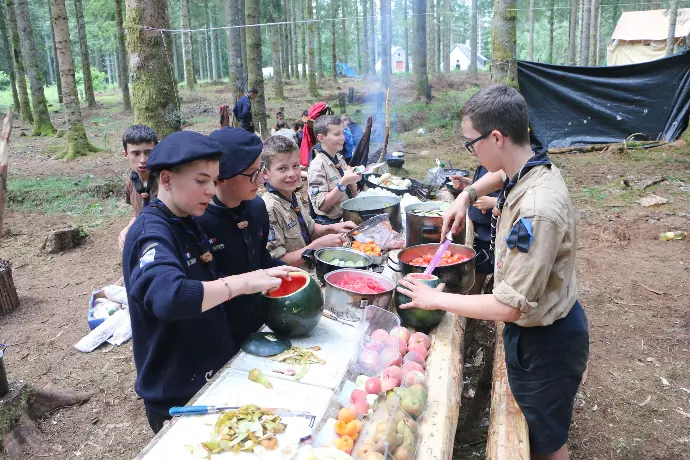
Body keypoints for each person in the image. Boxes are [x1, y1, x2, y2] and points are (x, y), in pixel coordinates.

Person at [398, 85, 589, 460]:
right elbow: (501, 175)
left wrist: (435, 297)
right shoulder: (528, 165)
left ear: (497, 137)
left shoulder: (536, 210)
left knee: (545, 443)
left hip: (547, 341)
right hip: (541, 332)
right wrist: (464, 197)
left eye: (472, 144)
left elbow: (509, 307)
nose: (472, 152)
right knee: (537, 429)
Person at [122, 130, 299, 434]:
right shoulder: (151, 232)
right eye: (201, 181)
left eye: (214, 181)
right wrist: (242, 283)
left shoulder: (187, 220)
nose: (210, 190)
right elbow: (170, 297)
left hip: (214, 372)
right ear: (166, 180)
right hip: (177, 390)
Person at [197, 128, 287, 344]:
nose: (263, 179)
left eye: (262, 169)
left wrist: (284, 272)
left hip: (260, 319)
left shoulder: (256, 208)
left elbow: (260, 258)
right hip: (223, 331)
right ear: (221, 178)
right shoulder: (199, 222)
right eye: (253, 173)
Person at [261, 135, 357, 266]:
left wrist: (334, 228)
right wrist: (315, 246)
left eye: (295, 166)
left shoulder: (291, 196)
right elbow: (276, 261)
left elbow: (311, 229)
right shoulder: (269, 209)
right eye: (282, 168)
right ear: (265, 173)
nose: (292, 174)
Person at [450, 167, 499, 294]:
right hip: (477, 228)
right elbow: (489, 185)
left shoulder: (512, 166)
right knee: (473, 267)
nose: (473, 154)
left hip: (490, 233)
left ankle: (474, 305)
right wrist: (469, 184)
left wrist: (496, 202)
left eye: (475, 148)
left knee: (480, 271)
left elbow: (520, 197)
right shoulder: (489, 163)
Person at [307, 115, 361, 225]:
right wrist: (343, 182)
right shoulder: (317, 166)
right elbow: (323, 206)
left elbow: (352, 194)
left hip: (347, 216)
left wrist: (353, 179)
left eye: (343, 132)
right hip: (330, 224)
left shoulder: (339, 158)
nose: (343, 137)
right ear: (321, 138)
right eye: (337, 134)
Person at [118, 125, 159, 250]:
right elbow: (138, 214)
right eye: (136, 153)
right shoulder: (131, 183)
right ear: (125, 154)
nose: (143, 160)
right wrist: (128, 228)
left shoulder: (167, 181)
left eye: (148, 152)